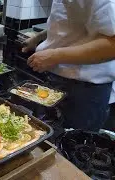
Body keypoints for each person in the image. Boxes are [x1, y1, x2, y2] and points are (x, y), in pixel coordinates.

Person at [22, 0, 115, 132]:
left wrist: (55, 56)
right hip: (59, 81)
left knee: (73, 145)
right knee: (51, 137)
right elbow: (71, 22)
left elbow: (112, 45)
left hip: (84, 91)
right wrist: (39, 38)